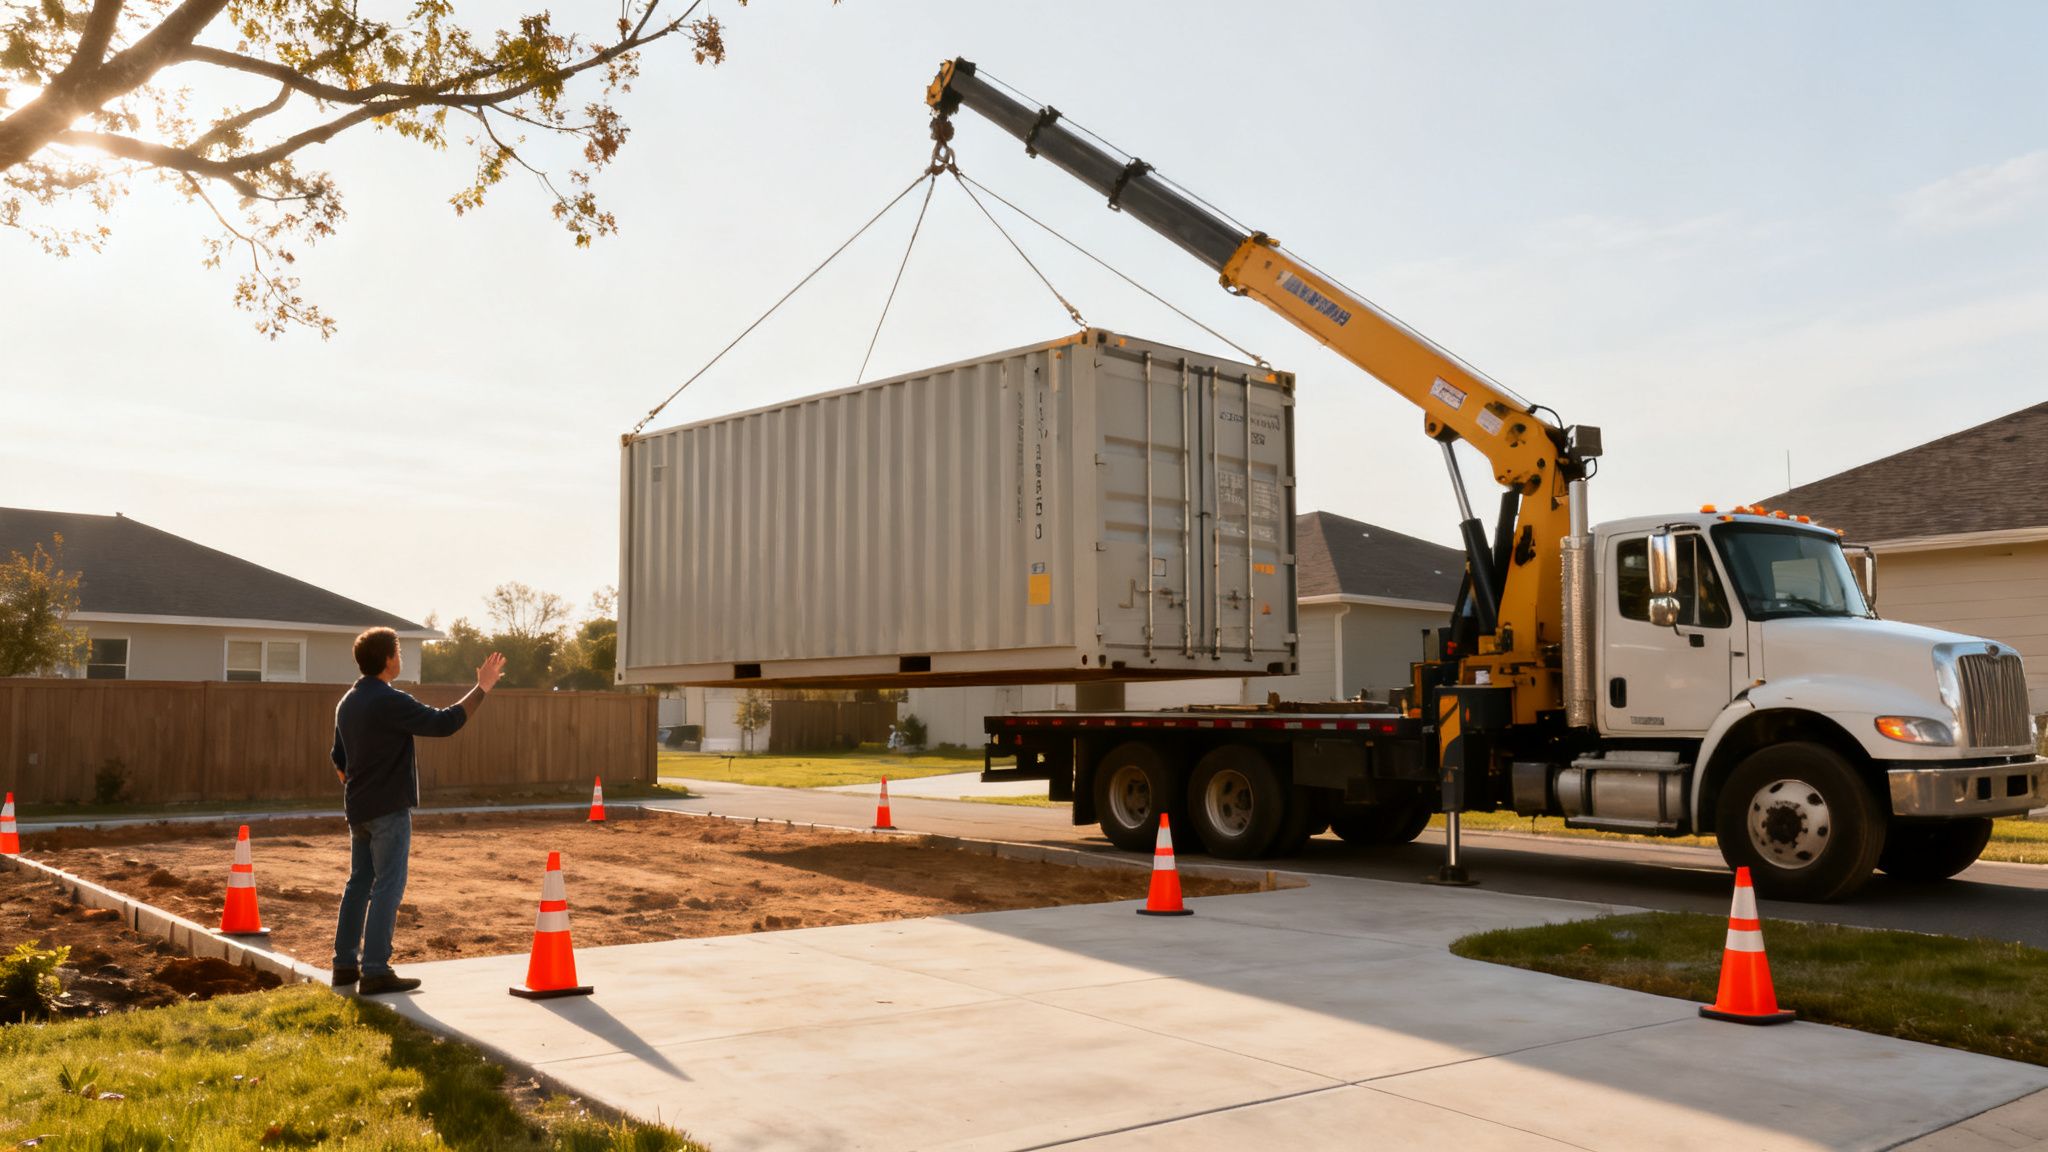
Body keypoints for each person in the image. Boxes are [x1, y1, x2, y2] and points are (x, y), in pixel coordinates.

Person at [330, 627, 505, 995]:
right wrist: (483, 687)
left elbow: (339, 762)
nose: (401, 658)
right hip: (388, 809)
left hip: (358, 808)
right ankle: (376, 970)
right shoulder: (387, 700)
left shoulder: (348, 702)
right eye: (398, 651)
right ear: (387, 659)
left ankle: (345, 966)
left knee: (359, 884)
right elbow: (444, 723)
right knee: (388, 886)